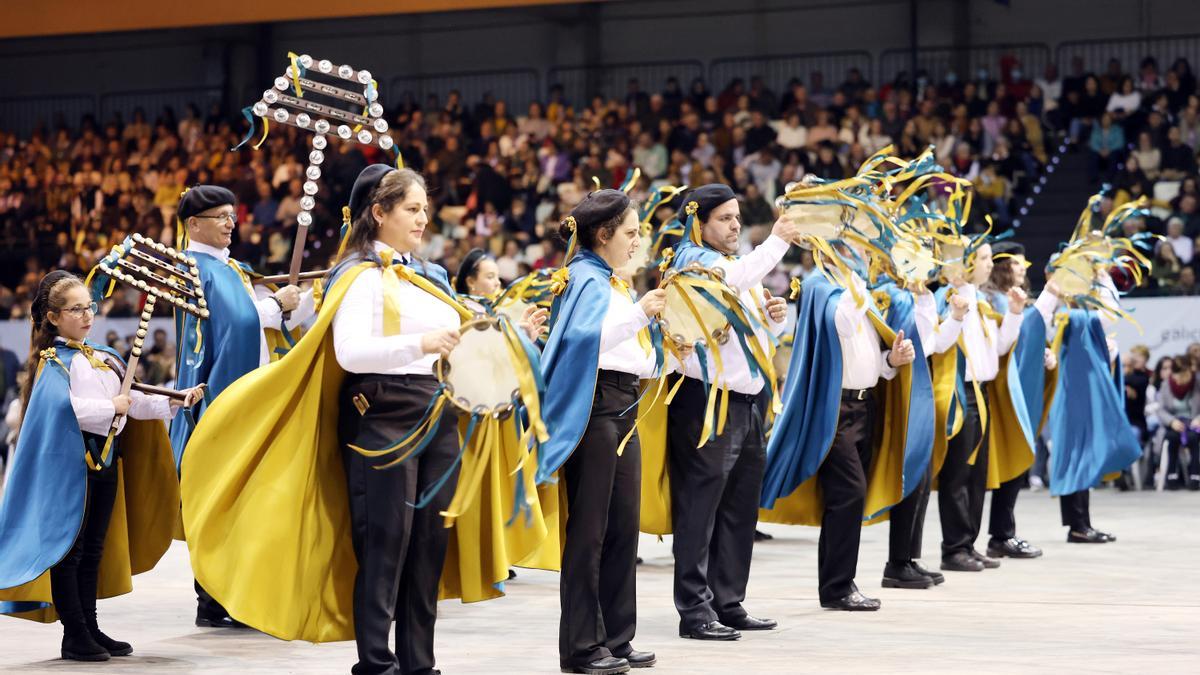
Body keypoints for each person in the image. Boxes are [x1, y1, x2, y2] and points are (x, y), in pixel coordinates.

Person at [178, 165, 552, 675]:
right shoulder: (356, 275)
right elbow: (351, 353)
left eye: (424, 208)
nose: (424, 219)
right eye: (412, 209)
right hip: (382, 415)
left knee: (427, 548)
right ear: (379, 213)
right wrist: (419, 343)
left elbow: (461, 347)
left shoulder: (428, 278)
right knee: (385, 544)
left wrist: (517, 338)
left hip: (438, 414)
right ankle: (376, 661)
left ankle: (420, 662)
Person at [0, 271, 200, 661]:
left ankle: (90, 625)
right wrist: (111, 407)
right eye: (76, 309)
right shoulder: (55, 362)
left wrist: (173, 403)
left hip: (107, 463)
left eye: (89, 307)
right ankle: (74, 633)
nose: (87, 315)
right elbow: (63, 410)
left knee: (94, 548)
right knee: (70, 551)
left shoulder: (104, 358)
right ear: (54, 317)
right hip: (72, 466)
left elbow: (135, 400)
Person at [168, 184, 316, 628]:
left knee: (245, 500)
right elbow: (239, 322)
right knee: (218, 499)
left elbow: (267, 320)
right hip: (216, 398)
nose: (231, 223)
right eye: (221, 216)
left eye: (233, 215)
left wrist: (306, 300)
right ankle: (212, 599)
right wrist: (276, 303)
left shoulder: (231, 267)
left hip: (249, 395)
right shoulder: (192, 268)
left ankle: (237, 592)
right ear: (194, 224)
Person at [650, 184, 793, 639]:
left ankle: (728, 601)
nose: (734, 226)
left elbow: (747, 332)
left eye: (736, 217)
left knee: (738, 509)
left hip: (746, 401)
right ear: (699, 223)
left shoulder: (734, 267)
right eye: (724, 219)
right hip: (705, 401)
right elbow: (728, 285)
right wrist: (779, 238)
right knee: (700, 508)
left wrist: (771, 319)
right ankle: (695, 611)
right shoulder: (691, 262)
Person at [538, 189, 666, 674]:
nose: (637, 241)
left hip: (621, 404)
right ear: (603, 234)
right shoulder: (585, 278)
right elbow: (580, 341)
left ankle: (616, 635)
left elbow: (624, 350)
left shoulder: (610, 281)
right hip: (594, 408)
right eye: (631, 232)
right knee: (589, 531)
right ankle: (580, 646)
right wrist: (641, 313)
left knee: (620, 529)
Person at [761, 239, 919, 611]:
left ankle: (841, 583)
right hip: (835, 409)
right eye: (859, 249)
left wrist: (890, 361)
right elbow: (842, 325)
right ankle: (836, 587)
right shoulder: (821, 285)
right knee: (848, 493)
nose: (867, 255)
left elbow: (862, 358)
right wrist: (853, 280)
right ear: (837, 250)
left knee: (848, 498)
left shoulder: (852, 289)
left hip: (864, 406)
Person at [933, 240, 1032, 573]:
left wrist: (1015, 314)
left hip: (982, 392)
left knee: (977, 475)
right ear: (965, 264)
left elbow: (999, 348)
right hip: (961, 392)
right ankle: (954, 547)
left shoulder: (983, 300)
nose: (990, 264)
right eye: (985, 258)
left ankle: (968, 543)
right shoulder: (949, 297)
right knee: (958, 473)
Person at [882, 278, 966, 589]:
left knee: (920, 476)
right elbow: (917, 343)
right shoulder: (892, 295)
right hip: (903, 390)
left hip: (920, 389)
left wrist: (954, 317)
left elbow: (932, 344)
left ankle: (907, 557)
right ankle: (897, 561)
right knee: (910, 475)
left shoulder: (916, 295)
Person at [979, 241, 1051, 560]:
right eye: (1018, 263)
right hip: (997, 392)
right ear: (1003, 266)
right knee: (996, 464)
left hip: (1017, 386)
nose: (1023, 269)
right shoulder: (990, 300)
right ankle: (990, 537)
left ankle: (1002, 533)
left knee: (1014, 462)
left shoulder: (1015, 300)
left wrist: (1043, 353)